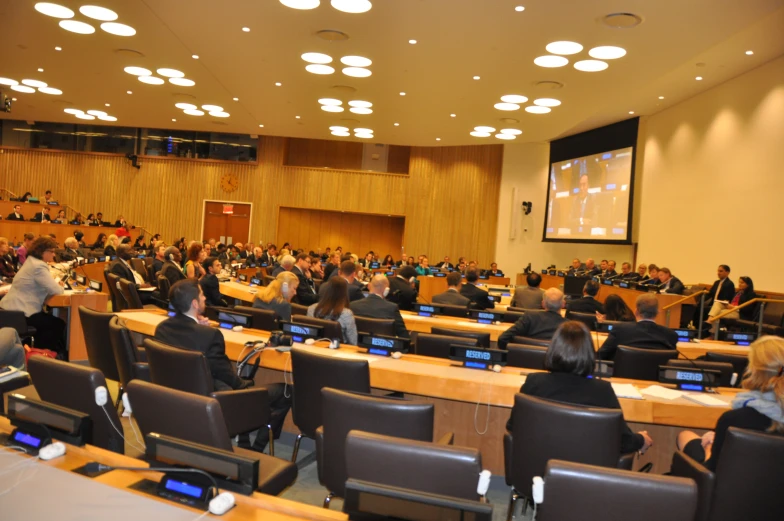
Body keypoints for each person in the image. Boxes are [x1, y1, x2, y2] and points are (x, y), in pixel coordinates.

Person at [155, 279, 290, 453]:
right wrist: (246, 384)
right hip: (217, 403)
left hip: (179, 401)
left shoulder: (162, 329)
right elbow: (227, 375)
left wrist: (197, 325)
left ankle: (244, 438)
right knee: (286, 391)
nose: (205, 298)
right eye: (202, 295)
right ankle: (255, 449)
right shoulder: (210, 335)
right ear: (195, 303)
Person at [506, 321, 653, 455]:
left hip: (535, 471)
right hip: (585, 478)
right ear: (589, 354)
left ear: (552, 349)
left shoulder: (533, 382)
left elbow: (513, 426)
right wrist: (641, 439)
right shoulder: (602, 390)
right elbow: (622, 441)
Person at [675, 335, 784, 471]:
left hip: (727, 489)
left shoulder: (734, 419)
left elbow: (711, 472)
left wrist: (709, 447)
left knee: (685, 437)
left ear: (753, 371)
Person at [0, 237, 66, 356]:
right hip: (21, 313)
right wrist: (61, 286)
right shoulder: (39, 266)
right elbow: (56, 290)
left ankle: (40, 352)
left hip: (10, 308)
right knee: (57, 324)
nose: (54, 254)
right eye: (52, 251)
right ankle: (40, 356)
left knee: (49, 321)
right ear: (43, 252)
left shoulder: (31, 261)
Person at [597, 294, 679, 360]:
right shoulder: (671, 335)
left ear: (636, 311)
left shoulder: (620, 329)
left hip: (623, 377)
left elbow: (601, 355)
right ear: (657, 313)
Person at [498, 288, 567, 349]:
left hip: (523, 362)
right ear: (563, 304)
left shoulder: (529, 317)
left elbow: (503, 339)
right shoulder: (569, 326)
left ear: (543, 304)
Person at [350, 274, 409, 339]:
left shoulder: (353, 305)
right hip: (383, 347)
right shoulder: (392, 308)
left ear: (369, 286)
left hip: (357, 346)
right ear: (387, 290)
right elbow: (404, 337)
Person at [307, 277, 358, 344]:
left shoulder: (311, 308)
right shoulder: (347, 314)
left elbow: (308, 334)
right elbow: (353, 342)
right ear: (345, 293)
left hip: (313, 349)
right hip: (339, 351)